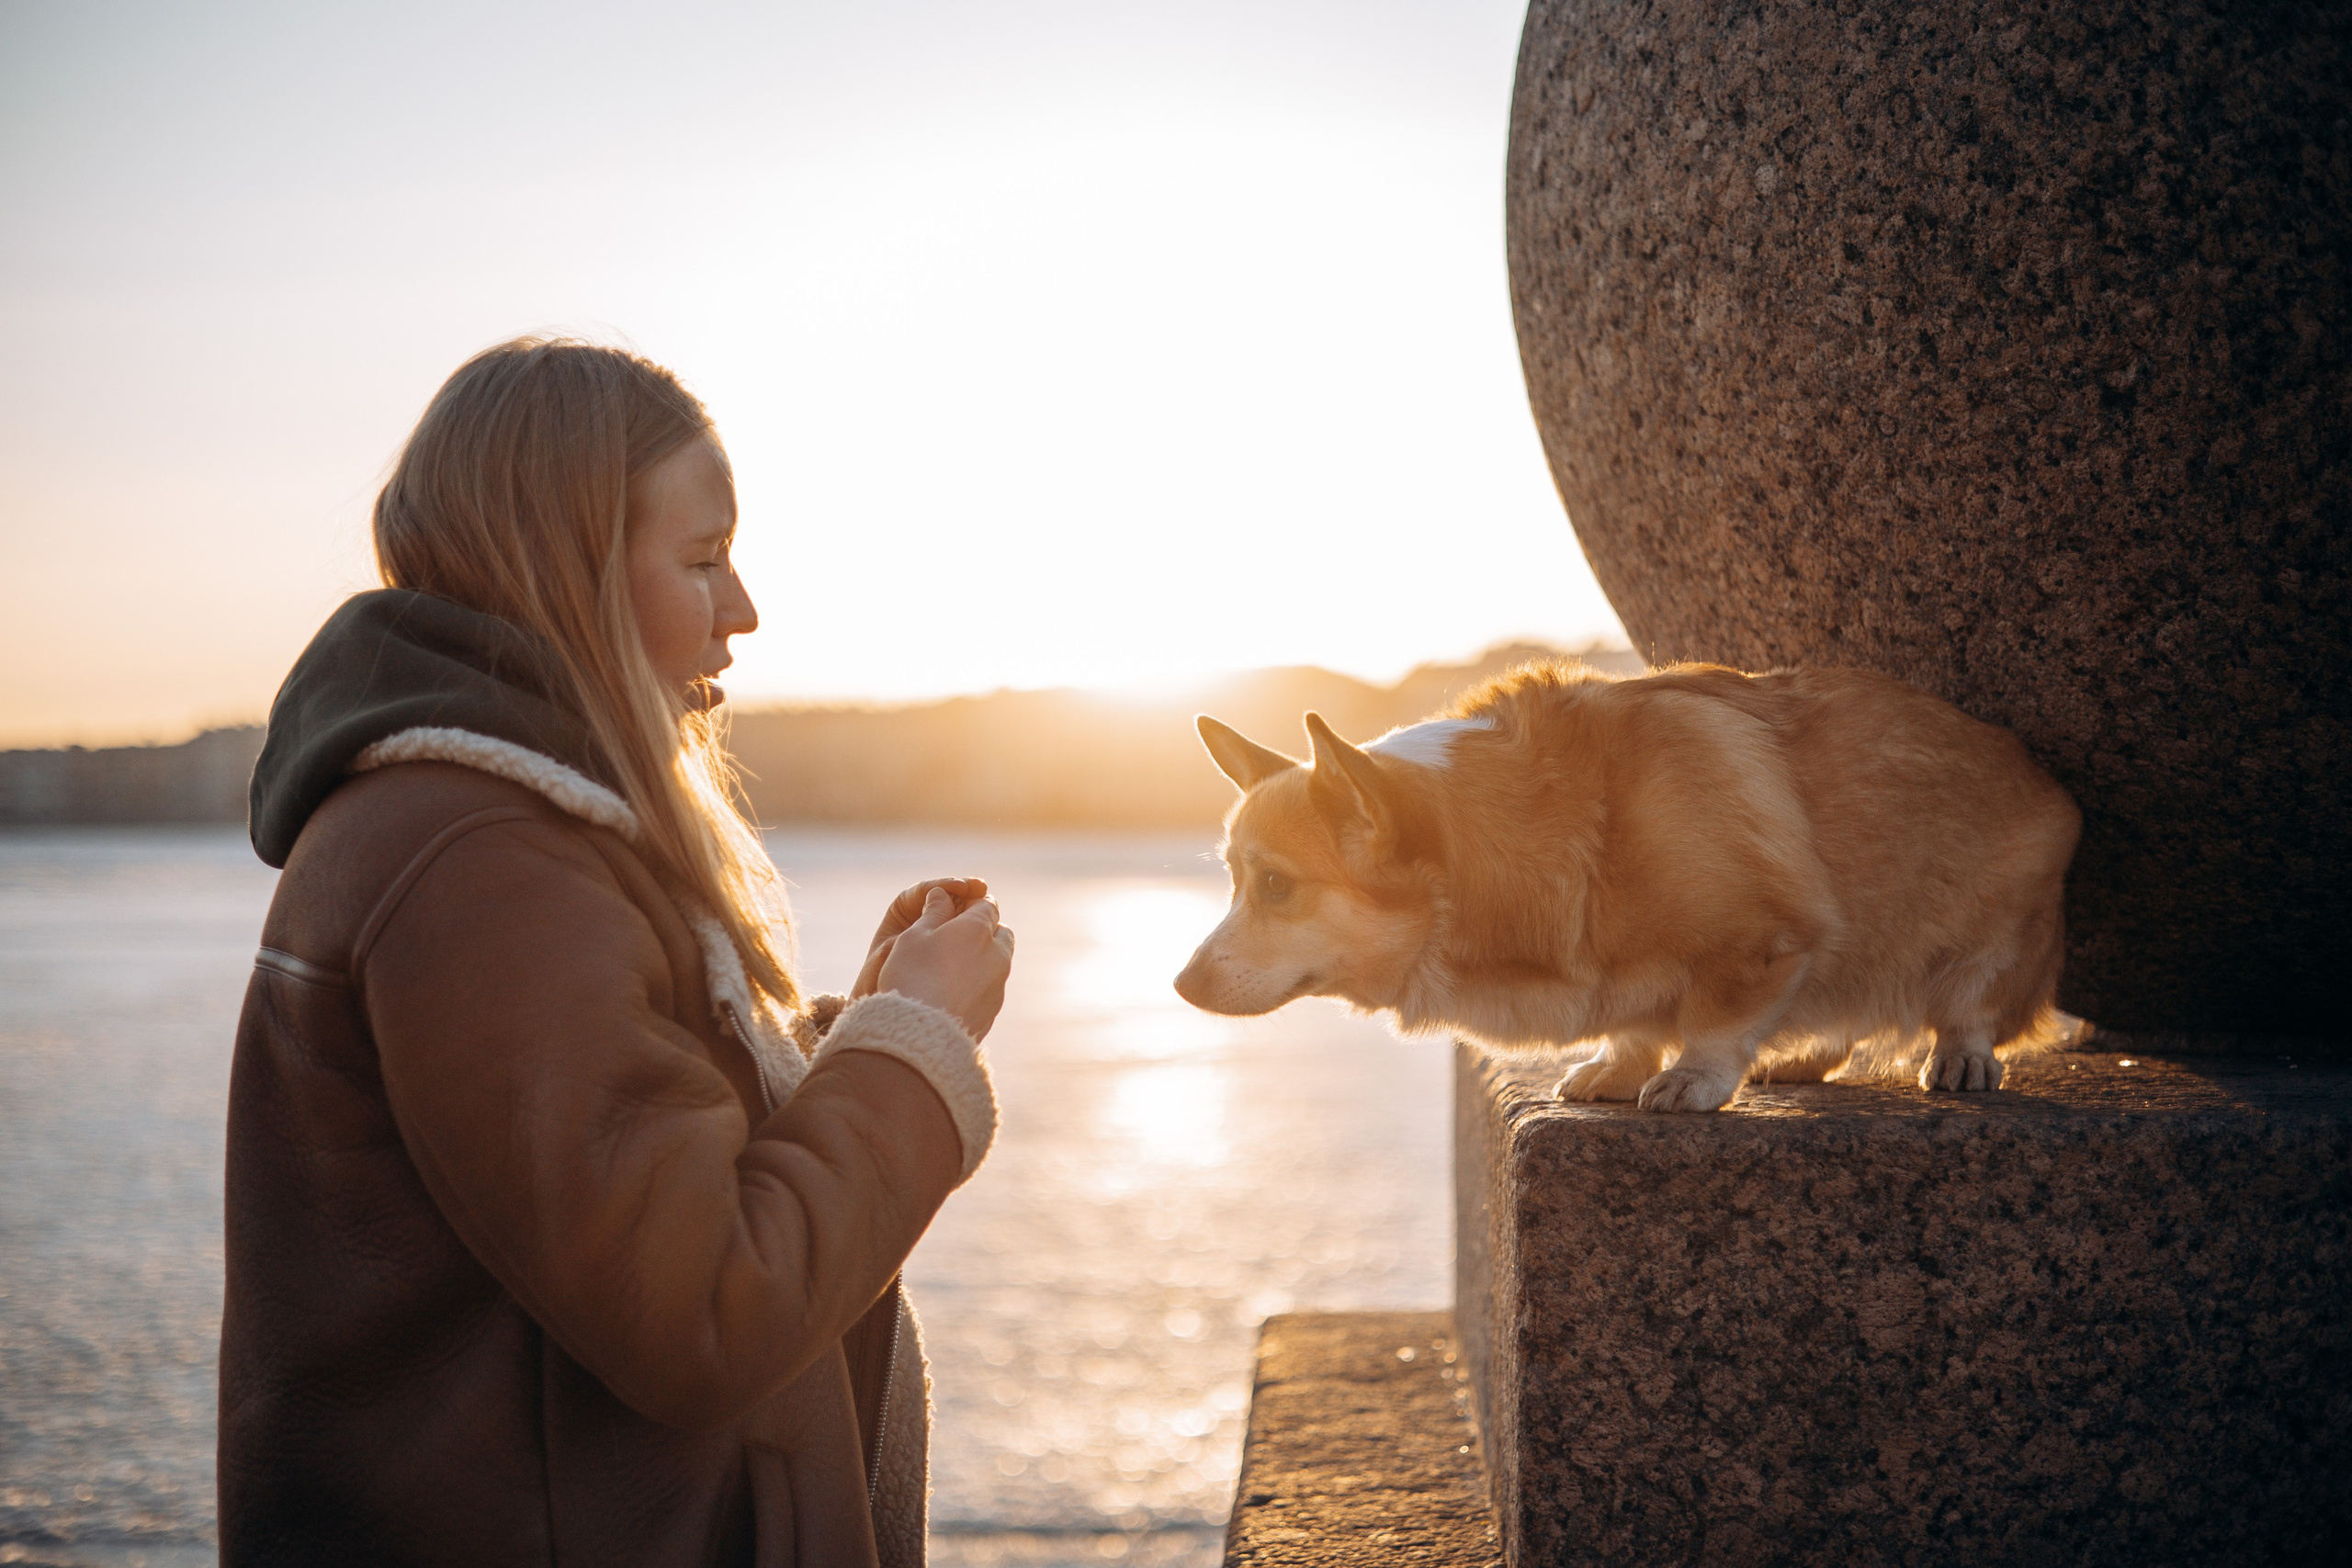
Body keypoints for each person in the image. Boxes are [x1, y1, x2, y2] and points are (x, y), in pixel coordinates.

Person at [217, 337, 1014, 1567]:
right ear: (566, 568)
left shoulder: (499, 834)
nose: (743, 611)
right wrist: (912, 1056)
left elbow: (636, 1165)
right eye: (702, 561)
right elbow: (704, 1311)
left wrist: (853, 1031)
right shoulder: (486, 868)